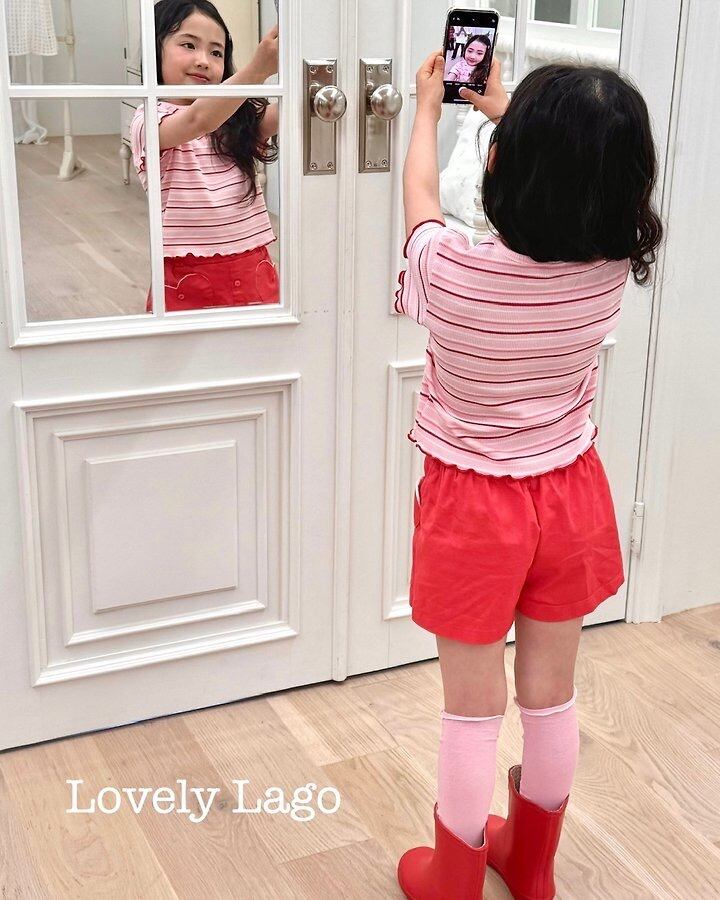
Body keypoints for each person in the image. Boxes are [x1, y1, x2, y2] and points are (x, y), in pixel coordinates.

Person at [396, 52, 662, 899]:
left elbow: (419, 198)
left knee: (471, 707)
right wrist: (507, 111)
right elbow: (574, 167)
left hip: (474, 505)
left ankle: (454, 875)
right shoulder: (609, 272)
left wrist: (429, 110)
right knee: (551, 696)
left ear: (502, 163)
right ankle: (533, 863)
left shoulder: (451, 270)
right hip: (571, 496)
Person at [131, 0, 280, 313]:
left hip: (252, 264)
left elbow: (279, 116)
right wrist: (258, 69)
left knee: (261, 343)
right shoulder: (148, 120)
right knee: (186, 346)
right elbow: (197, 121)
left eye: (216, 52)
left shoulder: (232, 116)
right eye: (188, 45)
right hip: (187, 273)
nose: (203, 61)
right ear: (156, 48)